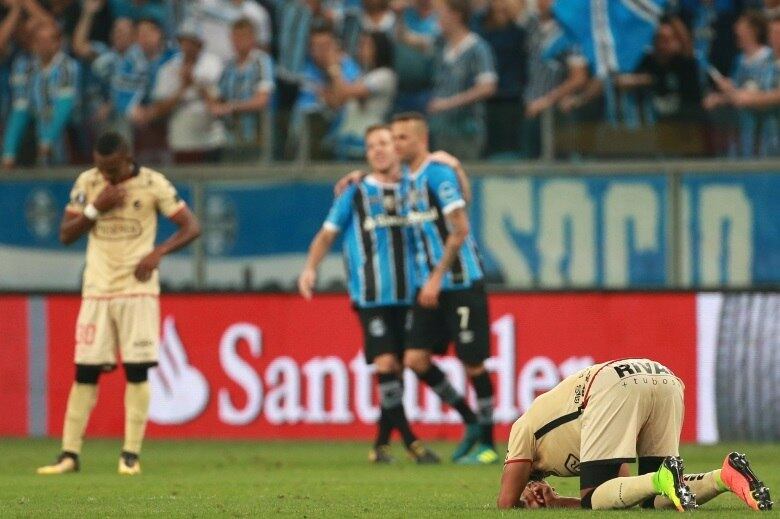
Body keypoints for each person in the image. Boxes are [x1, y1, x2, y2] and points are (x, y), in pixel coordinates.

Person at [37, 131, 201, 475]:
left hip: (137, 290)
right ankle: (69, 454)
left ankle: (130, 455)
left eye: (111, 168)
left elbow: (191, 226)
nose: (105, 175)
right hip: (96, 289)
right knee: (85, 372)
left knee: (137, 370)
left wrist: (159, 252)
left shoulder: (153, 183)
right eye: (100, 167)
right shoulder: (88, 182)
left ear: (127, 157)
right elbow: (66, 234)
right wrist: (96, 208)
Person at [297, 124, 439, 465]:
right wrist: (310, 268)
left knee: (399, 371)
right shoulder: (355, 193)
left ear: (396, 148)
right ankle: (413, 442)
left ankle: (379, 445)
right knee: (387, 363)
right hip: (370, 297)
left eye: (385, 143)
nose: (378, 149)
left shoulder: (415, 187)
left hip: (411, 295)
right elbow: (327, 235)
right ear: (366, 153)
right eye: (372, 145)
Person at [497, 358, 773, 512]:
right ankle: (724, 476)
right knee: (652, 495)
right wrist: (556, 501)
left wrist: (549, 503)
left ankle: (667, 478)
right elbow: (624, 489)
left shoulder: (523, 428)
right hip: (663, 376)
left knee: (593, 497)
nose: (535, 491)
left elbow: (506, 503)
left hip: (610, 386)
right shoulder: (564, 439)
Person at [392, 112, 496, 464]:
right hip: (430, 287)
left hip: (459, 282)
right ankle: (470, 421)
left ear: (421, 140)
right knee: (415, 359)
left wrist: (436, 276)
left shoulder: (437, 172)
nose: (395, 145)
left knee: (473, 364)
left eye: (401, 138)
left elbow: (460, 227)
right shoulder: (407, 179)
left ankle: (488, 444)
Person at [147, 20, 226, 163]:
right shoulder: (168, 68)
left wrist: (194, 81)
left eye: (193, 42)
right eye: (185, 42)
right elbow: (158, 110)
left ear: (200, 44)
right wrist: (182, 88)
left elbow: (218, 104)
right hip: (181, 136)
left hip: (210, 136)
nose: (189, 47)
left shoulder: (213, 64)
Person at [427, 0, 497, 159]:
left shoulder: (477, 48)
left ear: (455, 15)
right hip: (441, 130)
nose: (437, 19)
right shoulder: (440, 45)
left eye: (441, 14)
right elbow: (410, 40)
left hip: (467, 132)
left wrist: (448, 103)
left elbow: (488, 87)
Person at [208, 17, 275, 161]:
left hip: (256, 136)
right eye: (235, 36)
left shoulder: (261, 61)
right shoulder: (228, 66)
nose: (238, 41)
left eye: (243, 36)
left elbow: (262, 100)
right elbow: (216, 97)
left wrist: (231, 107)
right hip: (229, 137)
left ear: (253, 38)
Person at [326, 30, 397, 159]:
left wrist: (334, 67)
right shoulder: (362, 75)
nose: (360, 49)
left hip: (365, 138)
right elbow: (337, 100)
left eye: (366, 45)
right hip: (348, 134)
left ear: (378, 48)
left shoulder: (385, 75)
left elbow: (346, 92)